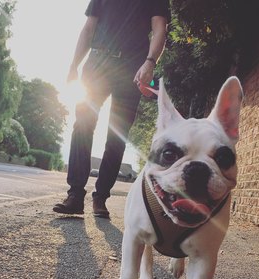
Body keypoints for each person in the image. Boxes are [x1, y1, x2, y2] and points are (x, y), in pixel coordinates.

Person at [53, 0, 171, 218]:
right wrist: (73, 66)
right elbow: (89, 28)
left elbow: (159, 29)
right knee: (82, 125)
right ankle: (75, 195)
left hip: (132, 68)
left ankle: (101, 197)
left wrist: (150, 62)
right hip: (97, 63)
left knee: (117, 135)